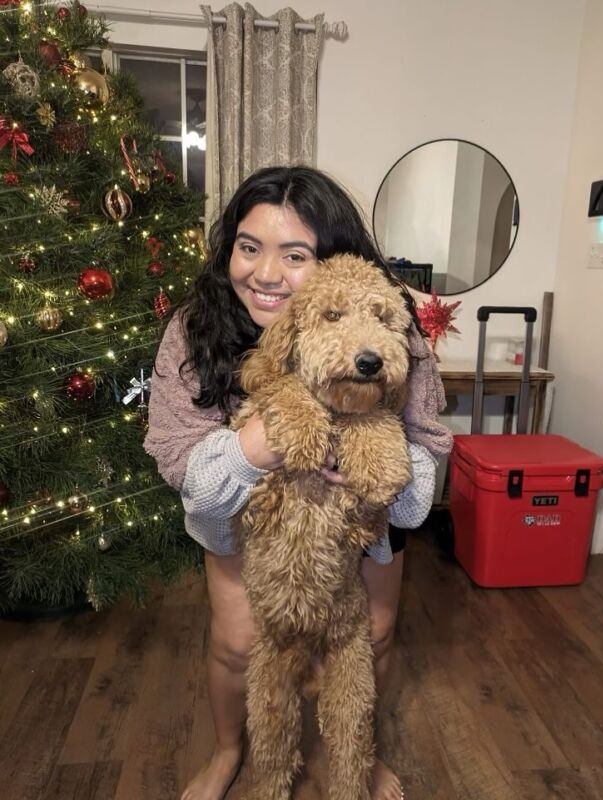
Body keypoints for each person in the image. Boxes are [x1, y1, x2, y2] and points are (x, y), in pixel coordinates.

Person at [144, 166, 452, 800]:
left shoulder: (395, 331)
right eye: (249, 247)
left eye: (295, 255)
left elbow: (423, 464)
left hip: (362, 518)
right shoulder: (193, 330)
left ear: (334, 261)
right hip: (248, 514)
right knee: (237, 645)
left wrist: (369, 466)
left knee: (374, 634)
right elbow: (182, 468)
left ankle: (358, 755)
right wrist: (256, 447)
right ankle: (232, 751)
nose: (265, 274)